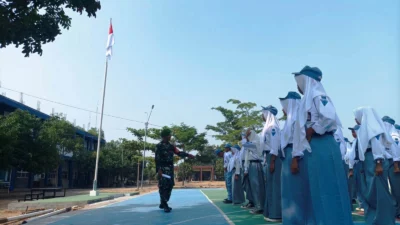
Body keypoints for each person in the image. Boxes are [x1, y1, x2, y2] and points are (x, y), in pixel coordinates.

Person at [291, 66, 353, 225]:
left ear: (304, 80)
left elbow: (329, 118)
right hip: (312, 147)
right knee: (316, 189)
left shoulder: (318, 95)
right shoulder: (306, 100)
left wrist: (312, 129)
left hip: (323, 144)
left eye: (298, 82)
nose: (297, 86)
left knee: (328, 188)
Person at [353, 107, 396, 225]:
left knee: (378, 192)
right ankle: (376, 219)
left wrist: (378, 163)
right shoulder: (366, 128)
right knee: (371, 192)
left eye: (356, 116)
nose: (355, 119)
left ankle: (384, 220)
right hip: (369, 160)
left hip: (374, 161)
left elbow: (376, 144)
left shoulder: (372, 128)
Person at [279, 91, 313, 225]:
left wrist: (295, 159)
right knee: (289, 193)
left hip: (295, 155)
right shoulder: (289, 120)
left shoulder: (297, 119)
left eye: (285, 105)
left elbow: (298, 140)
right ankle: (291, 220)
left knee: (296, 193)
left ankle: (298, 220)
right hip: (289, 154)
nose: (283, 109)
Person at [155, 128, 194, 213]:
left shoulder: (171, 146)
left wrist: (188, 155)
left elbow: (179, 153)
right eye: (169, 135)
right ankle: (165, 205)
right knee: (163, 186)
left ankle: (163, 202)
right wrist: (159, 170)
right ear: (165, 136)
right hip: (163, 169)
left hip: (170, 169)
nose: (170, 136)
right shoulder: (159, 146)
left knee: (170, 185)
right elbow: (157, 159)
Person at [260, 105, 282, 222]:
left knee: (275, 186)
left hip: (273, 157)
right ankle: (270, 212)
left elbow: (275, 145)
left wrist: (272, 161)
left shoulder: (272, 127)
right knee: (270, 185)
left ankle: (276, 213)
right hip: (269, 157)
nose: (261, 116)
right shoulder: (268, 127)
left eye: (263, 113)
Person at [242, 128, 265, 214]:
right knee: (255, 187)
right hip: (253, 164)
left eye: (249, 135)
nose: (248, 137)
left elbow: (244, 144)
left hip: (255, 164)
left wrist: (245, 136)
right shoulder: (253, 143)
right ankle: (258, 205)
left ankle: (259, 206)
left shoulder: (255, 143)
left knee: (257, 186)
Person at [382, 116, 400, 219]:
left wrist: (396, 165)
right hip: (388, 162)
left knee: (396, 189)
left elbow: (396, 151)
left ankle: (398, 211)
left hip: (394, 164)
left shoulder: (394, 136)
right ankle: (394, 209)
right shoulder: (386, 135)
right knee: (391, 188)